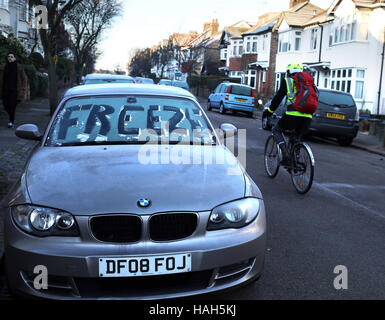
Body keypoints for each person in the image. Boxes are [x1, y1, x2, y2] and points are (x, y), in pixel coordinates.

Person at [263, 62, 315, 165]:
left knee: (276, 130)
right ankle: (295, 161)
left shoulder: (287, 81)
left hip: (292, 115)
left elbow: (277, 99)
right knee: (296, 138)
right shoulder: (309, 83)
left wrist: (269, 111)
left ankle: (285, 154)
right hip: (307, 117)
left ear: (289, 72)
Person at [0, 52, 27, 128]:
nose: (10, 58)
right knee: (5, 105)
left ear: (15, 58)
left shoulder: (19, 67)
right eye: (9, 56)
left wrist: (23, 89)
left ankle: (11, 121)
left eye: (11, 57)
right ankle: (11, 117)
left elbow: (24, 78)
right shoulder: (3, 66)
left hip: (15, 90)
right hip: (5, 89)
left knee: (12, 106)